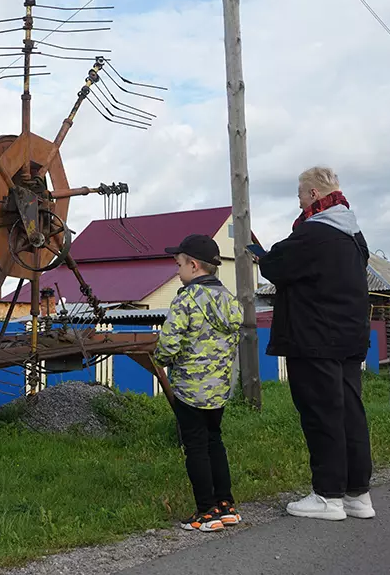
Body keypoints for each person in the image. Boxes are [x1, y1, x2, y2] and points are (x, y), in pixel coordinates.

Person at [258, 166, 375, 521]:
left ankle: (328, 496)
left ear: (312, 195)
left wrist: (260, 256)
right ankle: (358, 495)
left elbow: (273, 265)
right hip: (351, 335)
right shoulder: (354, 235)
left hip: (314, 337)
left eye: (299, 195)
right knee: (351, 413)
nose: (298, 201)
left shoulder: (313, 232)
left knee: (322, 413)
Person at [154, 233, 244, 532]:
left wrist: (163, 359)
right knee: (214, 441)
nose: (176, 270)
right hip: (219, 388)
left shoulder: (186, 300)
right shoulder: (229, 300)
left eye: (178, 264)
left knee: (195, 446)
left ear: (193, 266)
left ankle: (206, 511)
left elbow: (168, 344)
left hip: (190, 389)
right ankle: (226, 505)